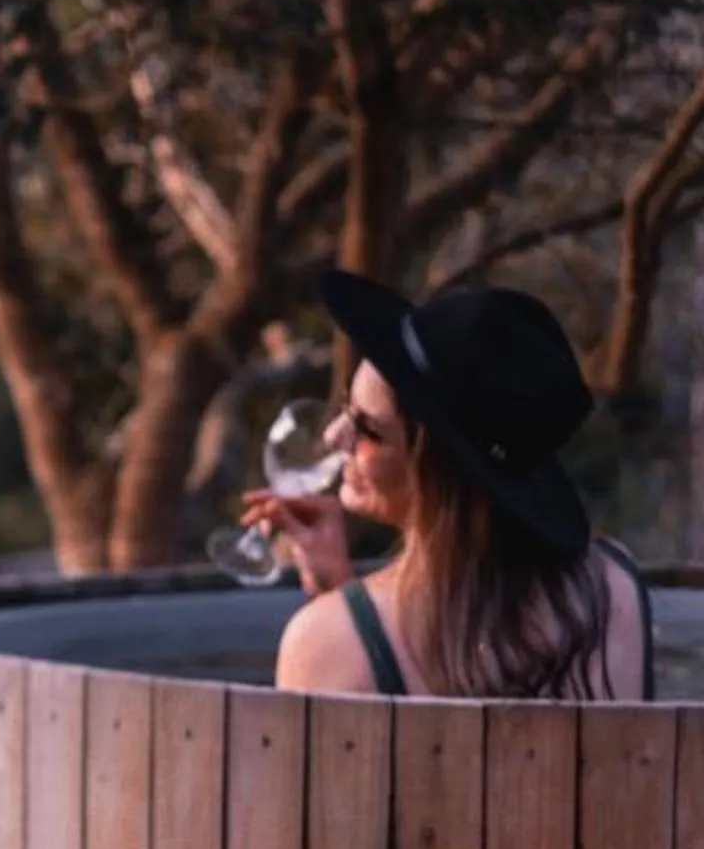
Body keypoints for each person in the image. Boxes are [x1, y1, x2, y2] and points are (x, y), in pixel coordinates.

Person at [240, 271, 653, 701]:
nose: (334, 436)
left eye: (369, 429)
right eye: (347, 406)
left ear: (438, 471)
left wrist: (344, 618)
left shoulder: (326, 642)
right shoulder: (617, 587)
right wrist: (339, 594)